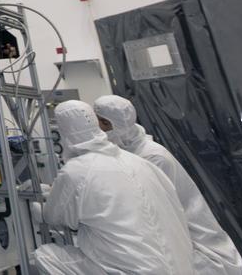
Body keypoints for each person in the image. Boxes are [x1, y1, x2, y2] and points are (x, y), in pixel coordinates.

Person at [32, 100, 194, 275]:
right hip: (179, 266)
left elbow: (52, 216)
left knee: (44, 256)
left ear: (64, 133)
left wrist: (38, 204)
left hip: (133, 269)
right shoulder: (138, 161)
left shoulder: (75, 170)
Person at [94, 95, 242, 275]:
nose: (99, 129)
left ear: (119, 124)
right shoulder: (127, 152)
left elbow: (158, 214)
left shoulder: (152, 157)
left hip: (196, 246)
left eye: (103, 123)